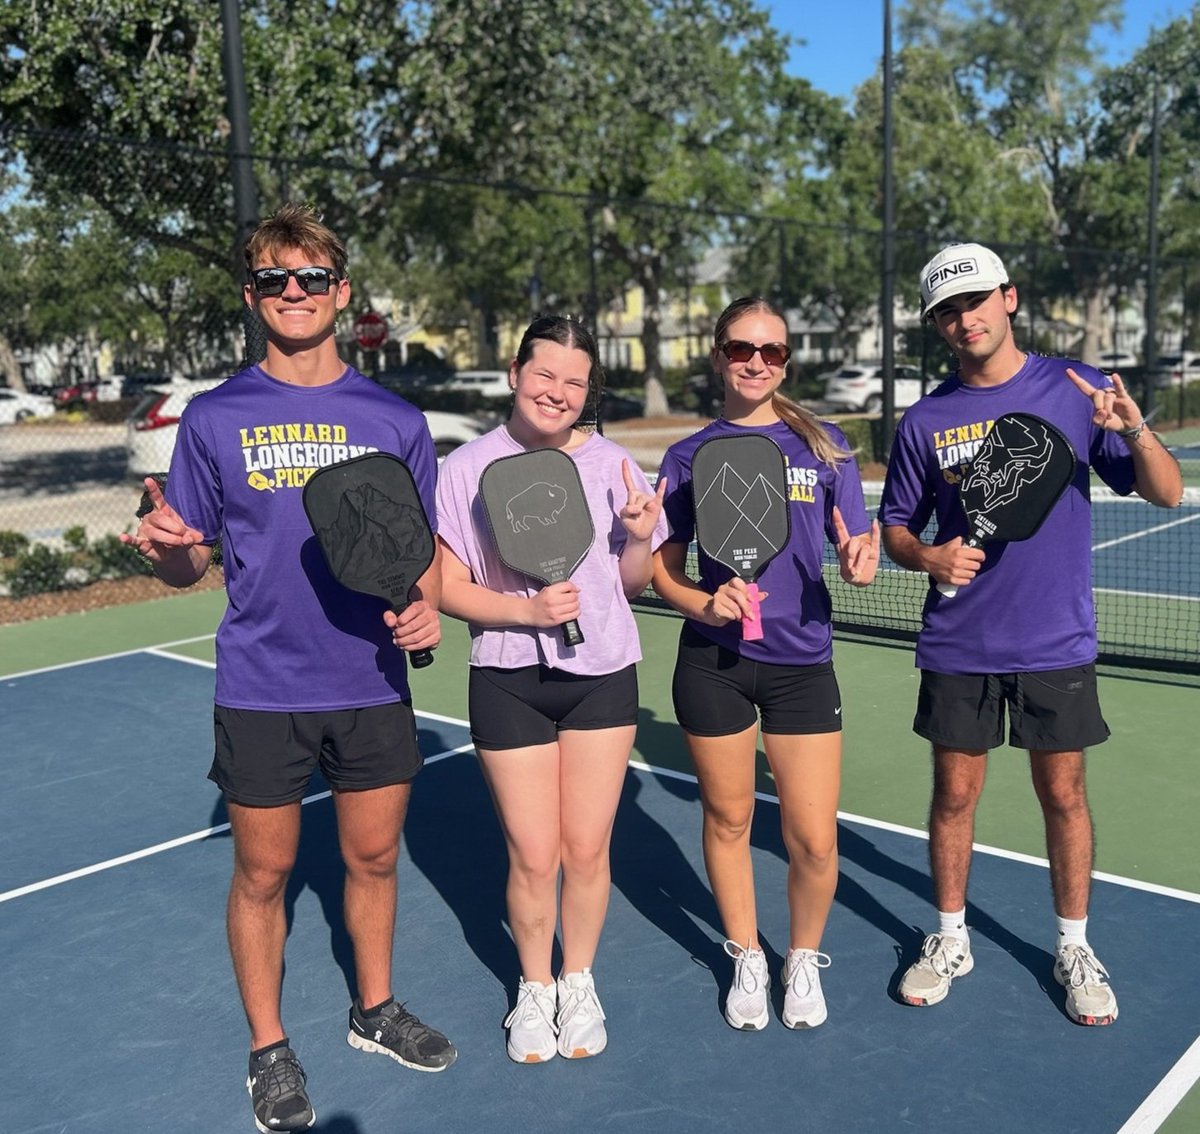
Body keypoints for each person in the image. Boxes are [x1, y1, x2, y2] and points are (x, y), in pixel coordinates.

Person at [122, 204, 456, 1132]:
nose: (295, 293)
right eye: (276, 279)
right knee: (263, 876)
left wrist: (425, 604)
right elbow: (191, 556)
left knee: (374, 858)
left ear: (342, 294)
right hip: (263, 686)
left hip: (372, 682)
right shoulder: (215, 418)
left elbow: (418, 550)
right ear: (252, 295)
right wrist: (168, 551)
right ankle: (269, 1049)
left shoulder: (394, 418)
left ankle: (374, 1009)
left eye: (312, 278)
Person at [879, 242, 1184, 1024]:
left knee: (1064, 795)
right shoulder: (925, 420)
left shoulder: (1072, 390)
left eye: (975, 300)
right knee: (954, 795)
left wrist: (1133, 425)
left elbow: (1167, 493)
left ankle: (1073, 945)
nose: (963, 319)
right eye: (947, 311)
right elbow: (895, 530)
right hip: (959, 642)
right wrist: (929, 554)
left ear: (1008, 298)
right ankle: (951, 937)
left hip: (1055, 640)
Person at [433, 315, 668, 1064]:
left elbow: (631, 585)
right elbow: (446, 585)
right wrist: (523, 612)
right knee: (534, 856)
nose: (558, 392)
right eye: (545, 375)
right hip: (508, 679)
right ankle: (534, 988)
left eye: (575, 381)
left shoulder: (613, 466)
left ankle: (579, 979)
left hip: (602, 678)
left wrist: (637, 536)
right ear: (514, 373)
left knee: (587, 848)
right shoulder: (467, 468)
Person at [651, 296, 880, 1032]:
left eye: (773, 352)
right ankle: (747, 954)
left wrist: (858, 563)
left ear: (786, 361)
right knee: (727, 817)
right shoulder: (687, 456)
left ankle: (802, 958)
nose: (757, 362)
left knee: (814, 839)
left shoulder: (827, 446)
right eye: (743, 349)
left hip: (802, 664)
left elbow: (861, 555)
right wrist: (700, 604)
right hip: (714, 662)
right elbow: (662, 570)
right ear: (719, 355)